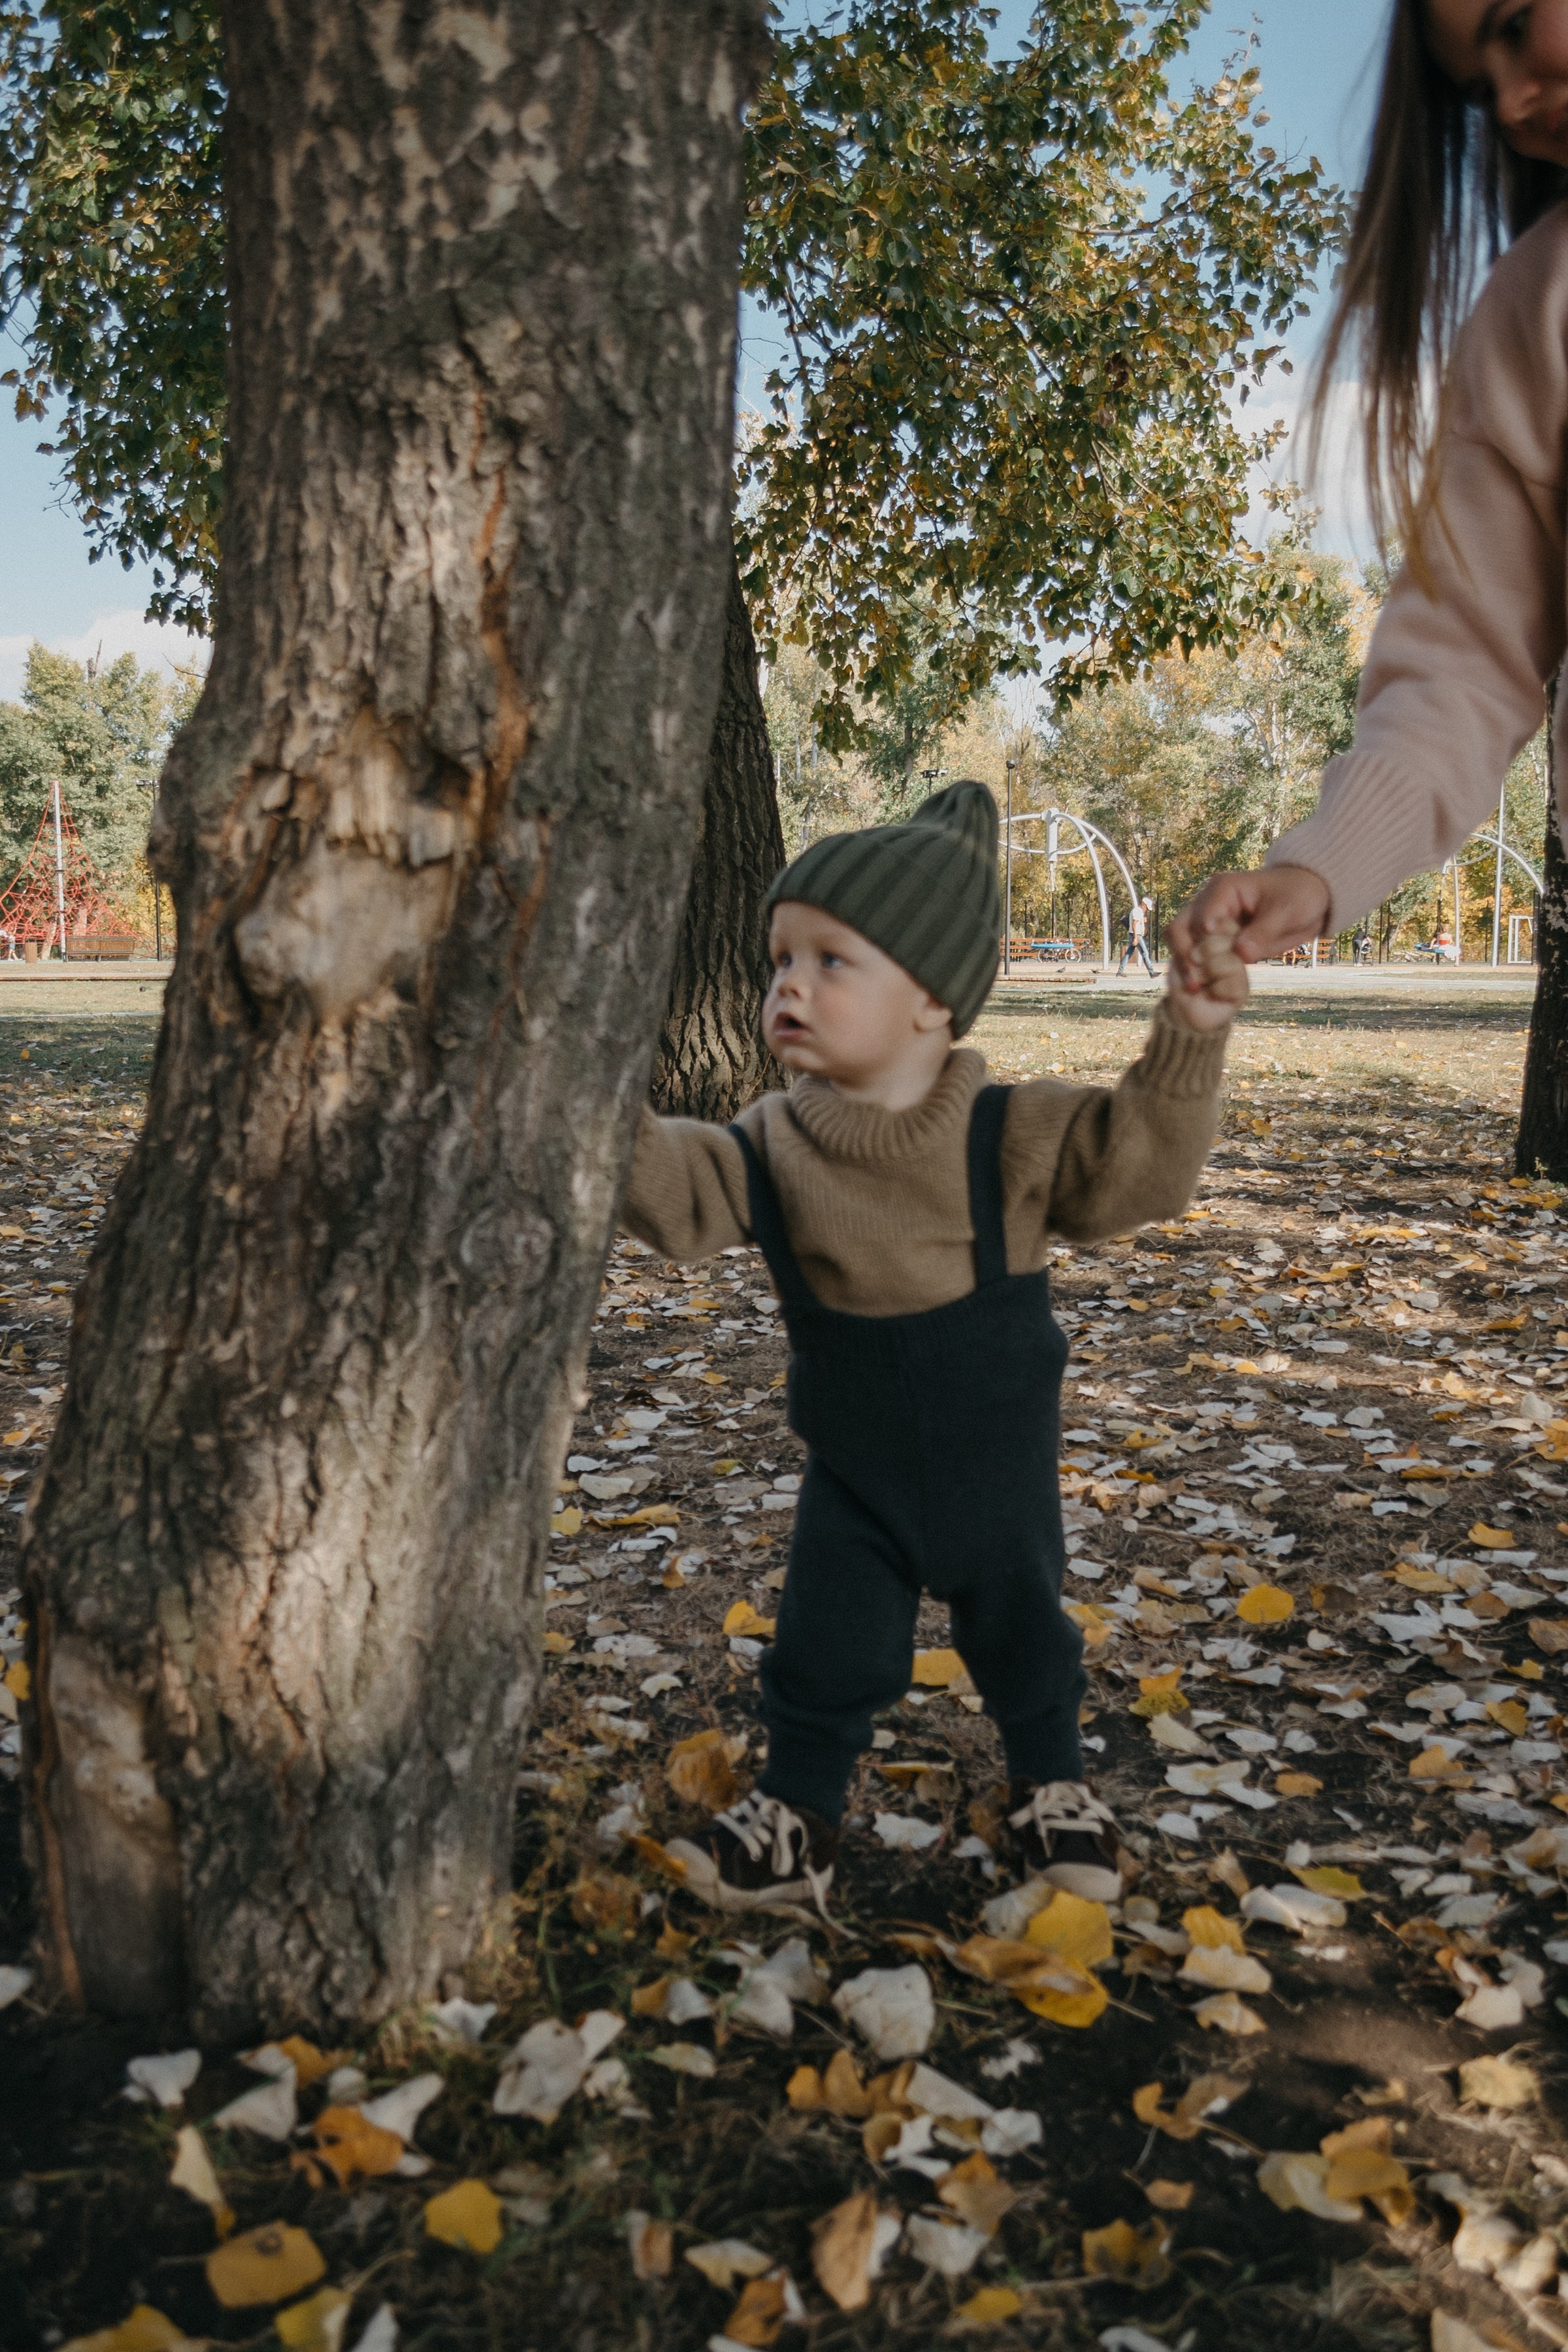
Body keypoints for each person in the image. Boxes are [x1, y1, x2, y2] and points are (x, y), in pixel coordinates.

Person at [621, 781, 1246, 1914]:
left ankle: (1052, 1784)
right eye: (780, 960)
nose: (789, 984)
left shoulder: (1012, 1134)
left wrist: (1189, 1036)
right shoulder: (770, 1143)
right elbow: (677, 1194)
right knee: (824, 1641)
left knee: (1025, 1634)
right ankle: (800, 1815)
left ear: (932, 998)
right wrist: (587, 1108)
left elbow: (1142, 1170)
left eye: (831, 960)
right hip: (855, 1470)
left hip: (993, 1471)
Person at [1169, 0, 1568, 990]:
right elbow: (1465, 659)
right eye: (1476, 90)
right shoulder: (1537, 309)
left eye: (1517, 23)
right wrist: (1323, 864)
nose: (1509, 103)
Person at [1116, 894, 1156, 977]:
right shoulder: (1138, 911)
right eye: (1146, 908)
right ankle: (1152, 972)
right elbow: (1134, 925)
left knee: (1129, 953)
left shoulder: (1139, 912)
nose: (1146, 910)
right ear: (1143, 904)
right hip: (1136, 935)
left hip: (1134, 934)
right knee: (1145, 953)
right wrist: (1136, 938)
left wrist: (1143, 922)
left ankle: (1120, 971)